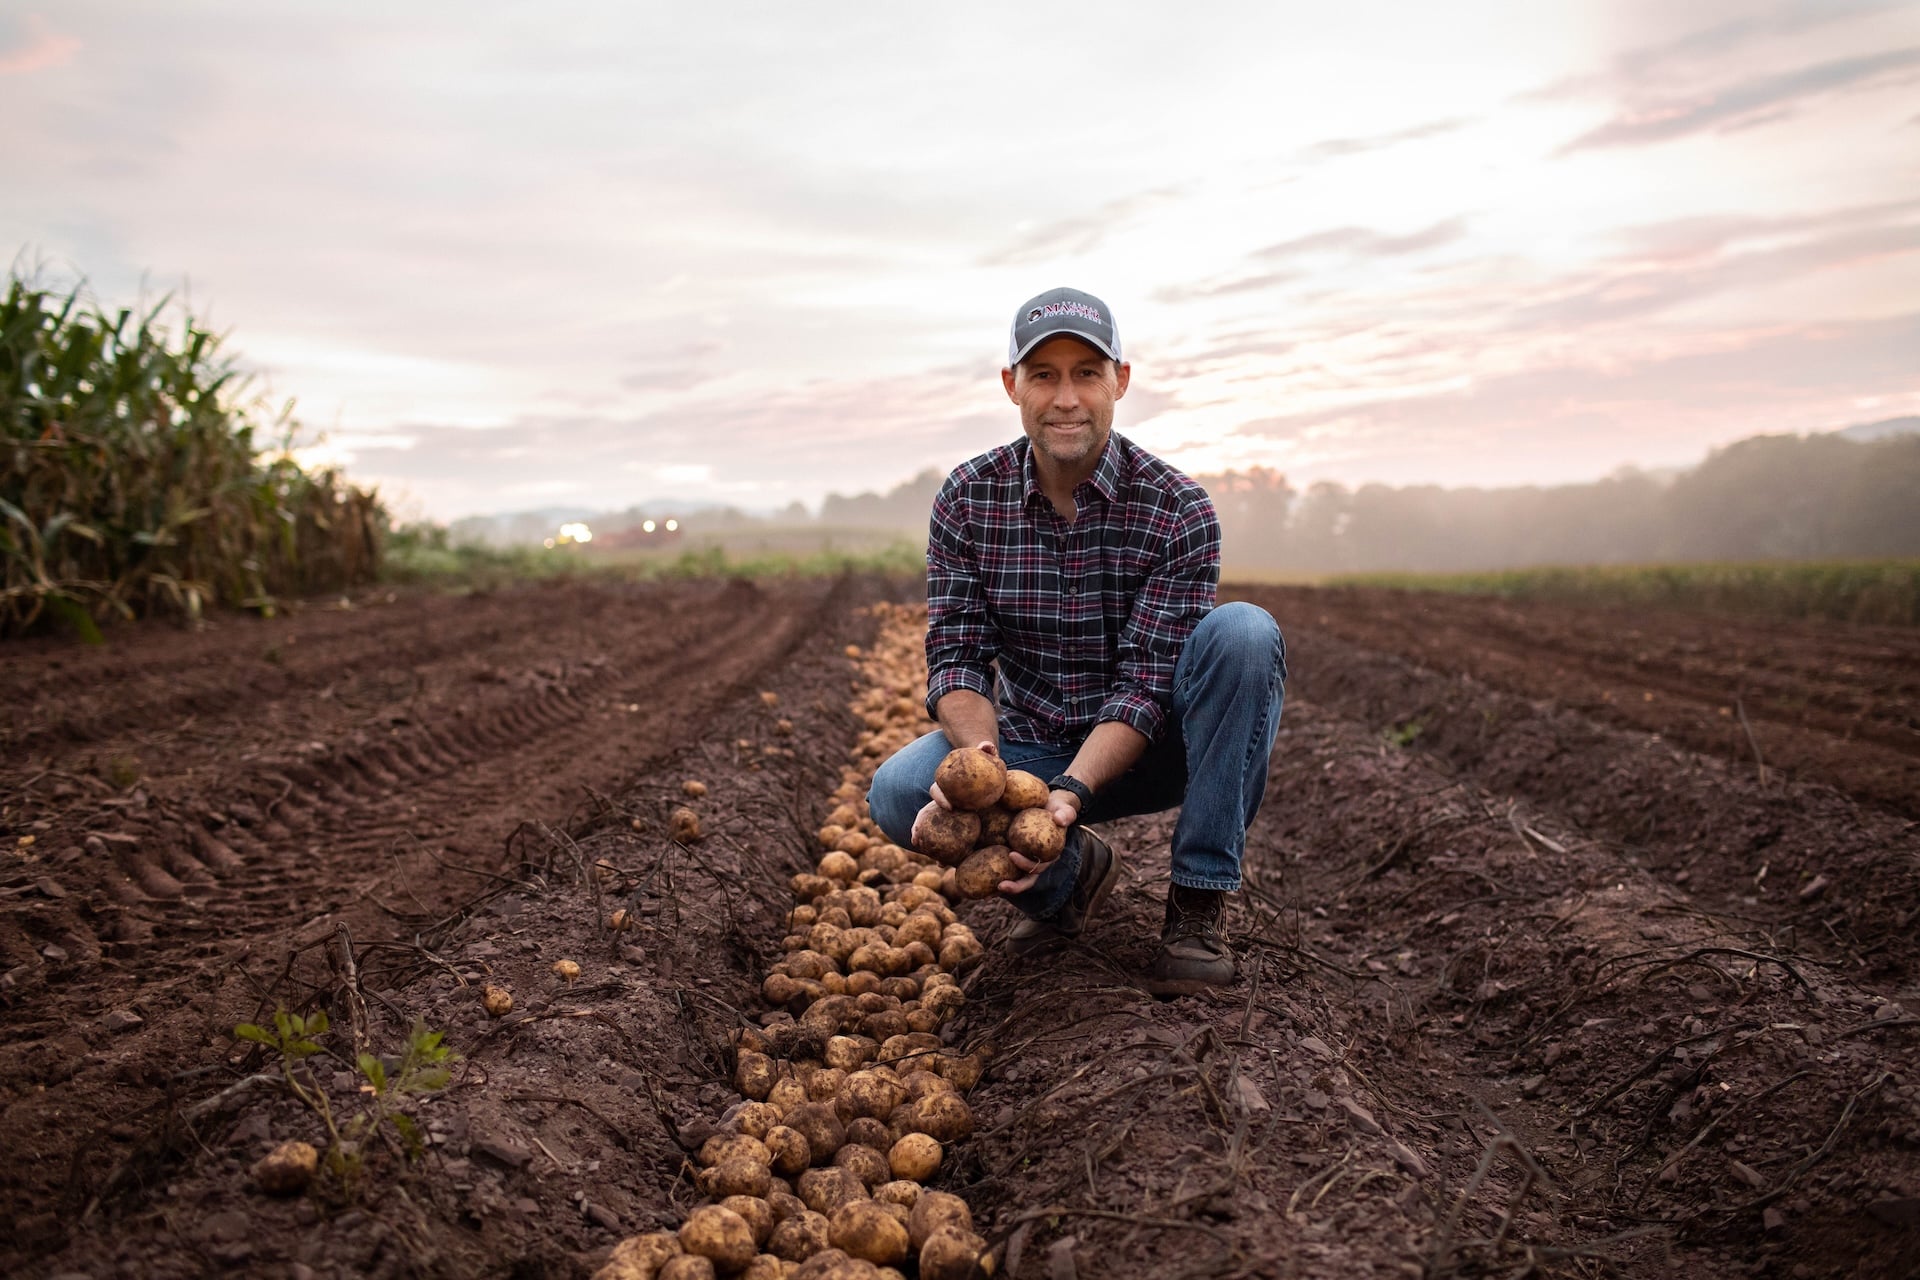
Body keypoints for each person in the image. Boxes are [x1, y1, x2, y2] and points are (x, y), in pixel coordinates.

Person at [866, 286, 1286, 995]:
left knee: (1244, 633)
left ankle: (1197, 903)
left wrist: (1071, 794)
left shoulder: (1177, 508)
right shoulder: (968, 498)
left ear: (1120, 381)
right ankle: (1066, 882)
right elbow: (958, 654)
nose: (1066, 398)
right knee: (900, 791)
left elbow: (1147, 685)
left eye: (1087, 373)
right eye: (1044, 375)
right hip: (1031, 742)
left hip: (1157, 748)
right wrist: (985, 769)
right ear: (1012, 386)